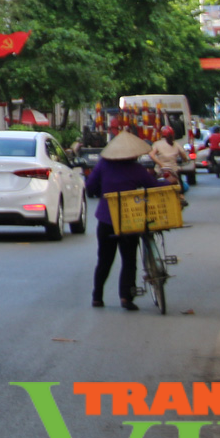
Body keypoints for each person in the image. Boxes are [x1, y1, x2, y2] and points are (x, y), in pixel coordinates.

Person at [86, 131, 162, 309]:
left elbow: (90, 186)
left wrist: (100, 193)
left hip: (106, 219)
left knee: (104, 259)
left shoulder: (103, 165)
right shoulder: (136, 169)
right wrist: (170, 182)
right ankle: (126, 297)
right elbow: (152, 186)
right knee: (129, 260)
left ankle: (97, 296)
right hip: (130, 219)